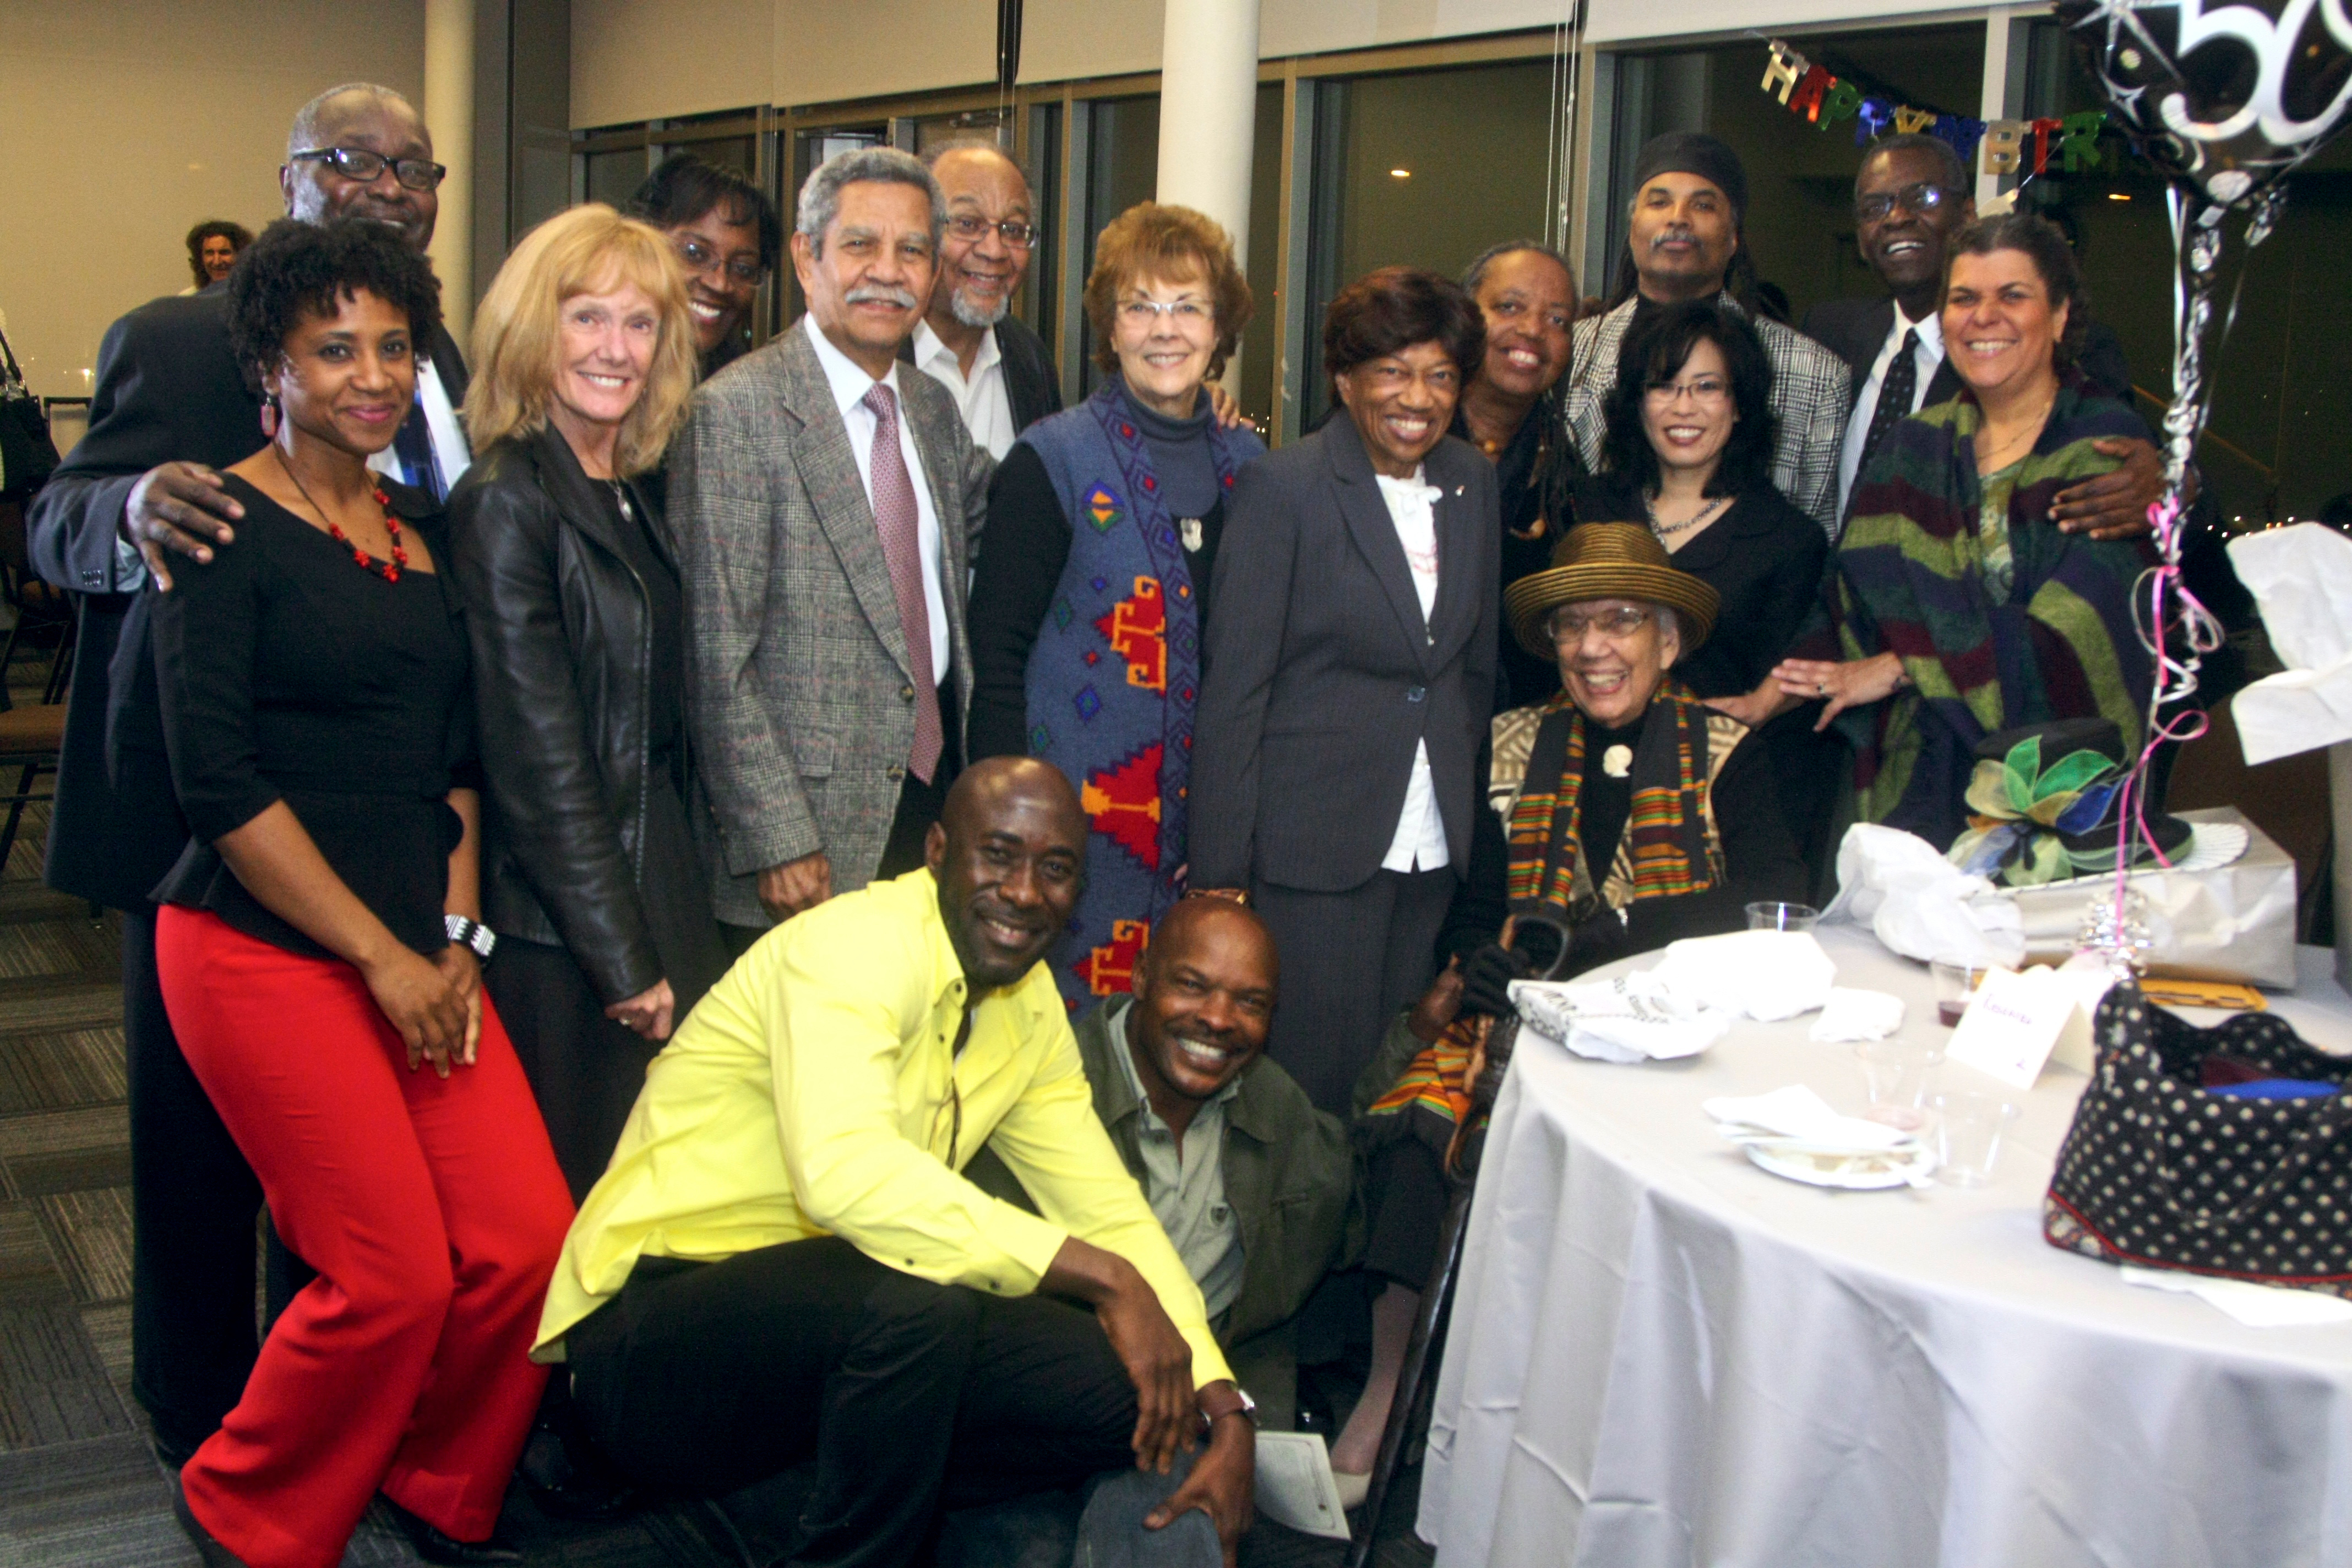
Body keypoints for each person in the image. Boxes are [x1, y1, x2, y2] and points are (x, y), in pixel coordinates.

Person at [25, 79, 470, 1473]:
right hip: (204, 830)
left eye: (416, 166)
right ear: (289, 176)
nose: (389, 182)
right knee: (203, 1159)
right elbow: (47, 523)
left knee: (352, 1169)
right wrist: (126, 505)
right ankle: (200, 1417)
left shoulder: (432, 353)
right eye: (353, 158)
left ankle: (334, 1398)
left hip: (385, 819)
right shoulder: (174, 338)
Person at [534, 758, 1255, 1568]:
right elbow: (845, 1173)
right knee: (924, 1300)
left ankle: (781, 1514)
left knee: (1131, 1387)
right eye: (1000, 855)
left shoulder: (1030, 1005)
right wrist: (1105, 1278)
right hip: (653, 1340)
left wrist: (1221, 1404)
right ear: (939, 851)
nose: (1025, 892)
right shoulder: (851, 947)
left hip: (835, 1338)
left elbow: (1107, 1208)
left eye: (1055, 870)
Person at [148, 217, 571, 1568]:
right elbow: (217, 782)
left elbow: (454, 765)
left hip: (416, 941)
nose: (371, 373)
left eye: (392, 345)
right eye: (334, 348)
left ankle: (434, 1479)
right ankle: (243, 1499)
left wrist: (446, 940)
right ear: (270, 364)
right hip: (257, 945)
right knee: (388, 1274)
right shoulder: (220, 522)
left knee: (523, 1243)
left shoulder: (418, 529)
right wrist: (383, 960)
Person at [1330, 523, 1806, 1490]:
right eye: (1572, 626)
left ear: (1668, 641)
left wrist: (1614, 931)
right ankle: (1391, 1392)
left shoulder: (1729, 751)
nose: (1593, 647)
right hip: (1524, 1031)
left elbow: (1774, 908)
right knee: (1430, 1125)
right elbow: (1469, 916)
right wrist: (1485, 966)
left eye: (1622, 621)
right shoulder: (1509, 742)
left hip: (1680, 1044)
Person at [448, 204, 729, 1202]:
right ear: (533, 331)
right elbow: (537, 762)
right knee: (582, 1216)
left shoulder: (629, 487)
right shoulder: (506, 499)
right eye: (587, 318)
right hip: (567, 931)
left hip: (659, 878)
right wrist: (622, 958)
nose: (616, 348)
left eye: (641, 323)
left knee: (661, 1200)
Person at [1189, 267, 1499, 1115]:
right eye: (1394, 371)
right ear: (1345, 377)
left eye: (1440, 375)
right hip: (1314, 850)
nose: (1419, 398)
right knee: (1308, 1095)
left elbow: (1473, 674)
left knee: (1402, 1082)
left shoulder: (1474, 485)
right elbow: (1236, 691)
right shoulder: (1283, 489)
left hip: (1433, 846)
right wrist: (1218, 874)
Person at [673, 146, 994, 952]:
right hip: (801, 850)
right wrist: (776, 835)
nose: (887, 272)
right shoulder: (735, 413)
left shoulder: (929, 409)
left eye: (912, 251)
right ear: (807, 259)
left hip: (925, 809)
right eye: (860, 245)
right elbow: (717, 655)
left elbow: (1015, 519)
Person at [1771, 214, 2160, 851]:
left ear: (2059, 316)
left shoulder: (2104, 450)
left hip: (2052, 804)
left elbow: (2078, 635)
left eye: (2013, 296)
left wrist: (1903, 666)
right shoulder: (1913, 449)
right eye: (1965, 298)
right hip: (1904, 786)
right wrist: (1762, 701)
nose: (1985, 317)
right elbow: (1846, 600)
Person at [967, 202, 1264, 1008]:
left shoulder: (1254, 463)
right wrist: (1002, 831)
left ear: (1221, 328)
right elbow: (993, 657)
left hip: (1205, 838)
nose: (1164, 330)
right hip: (1070, 836)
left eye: (1188, 307)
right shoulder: (1052, 460)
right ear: (1111, 325)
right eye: (1140, 307)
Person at [964, 897, 1353, 1432]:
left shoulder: (1275, 1109)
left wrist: (1415, 1040)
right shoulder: (1048, 1090)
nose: (1218, 1018)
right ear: (1141, 976)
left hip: (1198, 1407)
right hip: (1039, 1406)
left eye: (1251, 1002)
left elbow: (1353, 1187)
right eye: (1192, 985)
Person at [1567, 301, 1839, 879]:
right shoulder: (1591, 507)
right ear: (1636, 402)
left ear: (1740, 405)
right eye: (1663, 386)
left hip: (1714, 809)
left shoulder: (1789, 539)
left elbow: (1787, 717)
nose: (1683, 407)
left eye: (1707, 387)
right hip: (1582, 787)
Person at [1801, 132, 2163, 535]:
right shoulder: (1828, 332)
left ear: (1967, 214)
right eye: (1875, 206)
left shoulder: (2050, 346)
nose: (1897, 217)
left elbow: (2143, 472)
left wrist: (2170, 484)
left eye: (1924, 198)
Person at [1565, 132, 1850, 533]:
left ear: (1734, 238)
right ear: (1632, 231)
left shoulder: (1816, 374)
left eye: (1703, 204)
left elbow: (1817, 538)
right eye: (1659, 201)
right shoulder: (1572, 352)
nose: (1678, 217)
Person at [1452, 240, 1585, 710]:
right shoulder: (1398, 432)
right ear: (1464, 317)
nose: (1532, 330)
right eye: (1509, 307)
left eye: (1557, 321)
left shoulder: (1566, 481)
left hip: (1522, 738)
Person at [905, 139, 1063, 456]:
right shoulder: (872, 354)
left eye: (1013, 230)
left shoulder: (1029, 361)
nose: (994, 250)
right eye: (967, 224)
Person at [625, 151, 781, 379]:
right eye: (695, 254)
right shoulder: (593, 369)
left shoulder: (744, 395)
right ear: (642, 243)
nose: (720, 283)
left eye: (743, 269)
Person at [181, 220, 253, 293]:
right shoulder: (189, 297)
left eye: (224, 253)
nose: (217, 262)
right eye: (210, 253)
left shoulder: (255, 297)